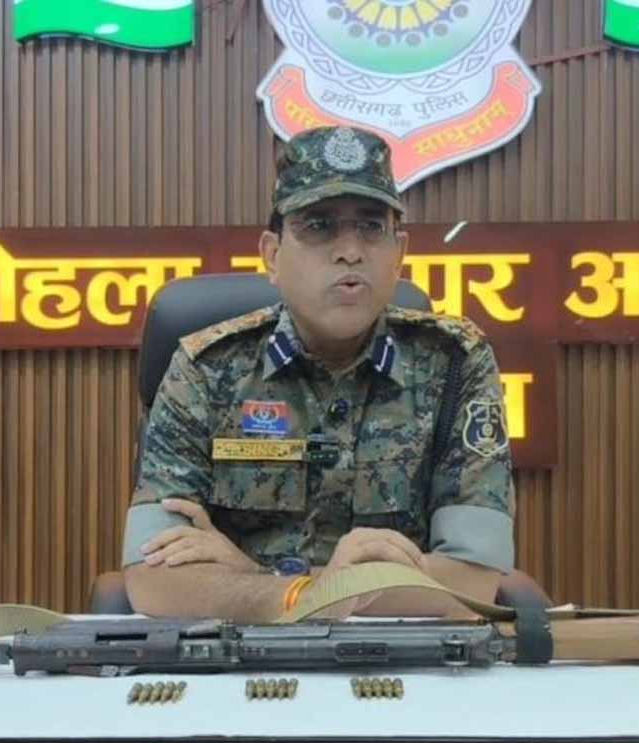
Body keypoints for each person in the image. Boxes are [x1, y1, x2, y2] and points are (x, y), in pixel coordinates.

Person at [122, 125, 516, 622]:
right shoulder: (205, 367)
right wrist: (311, 595)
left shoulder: (456, 362)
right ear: (272, 255)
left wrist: (263, 577)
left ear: (399, 254)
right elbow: (153, 580)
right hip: (241, 655)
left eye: (371, 227)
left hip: (406, 654)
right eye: (318, 226)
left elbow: (471, 579)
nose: (350, 251)